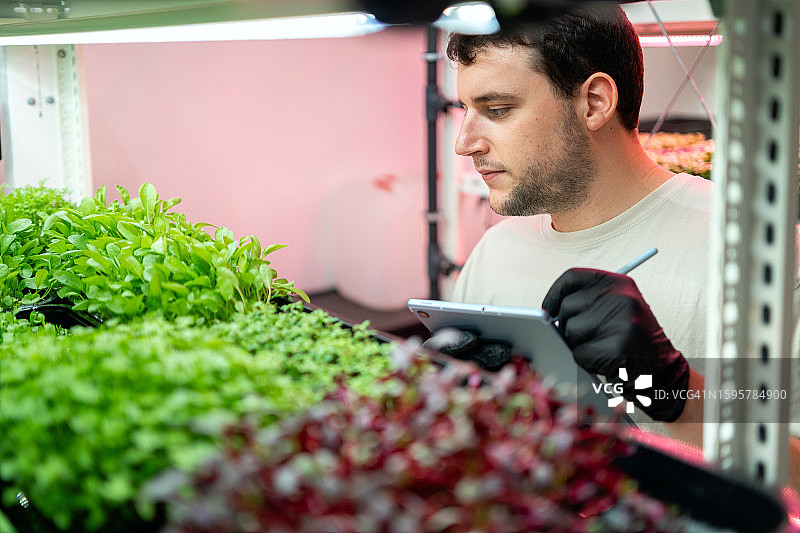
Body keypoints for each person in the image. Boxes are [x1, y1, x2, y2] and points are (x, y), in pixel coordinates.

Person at [440, 3, 800, 488]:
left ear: (594, 103)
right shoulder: (494, 252)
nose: (465, 143)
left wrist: (678, 394)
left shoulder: (757, 250)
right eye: (467, 110)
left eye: (497, 110)